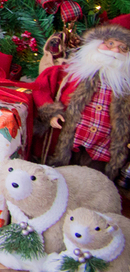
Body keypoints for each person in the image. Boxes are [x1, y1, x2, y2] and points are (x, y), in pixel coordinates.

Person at [34, 16, 130, 187]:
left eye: (123, 48)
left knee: (92, 187)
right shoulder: (72, 74)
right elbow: (42, 85)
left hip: (101, 153)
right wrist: (51, 112)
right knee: (58, 181)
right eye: (110, 44)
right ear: (96, 44)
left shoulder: (125, 89)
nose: (115, 51)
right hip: (68, 146)